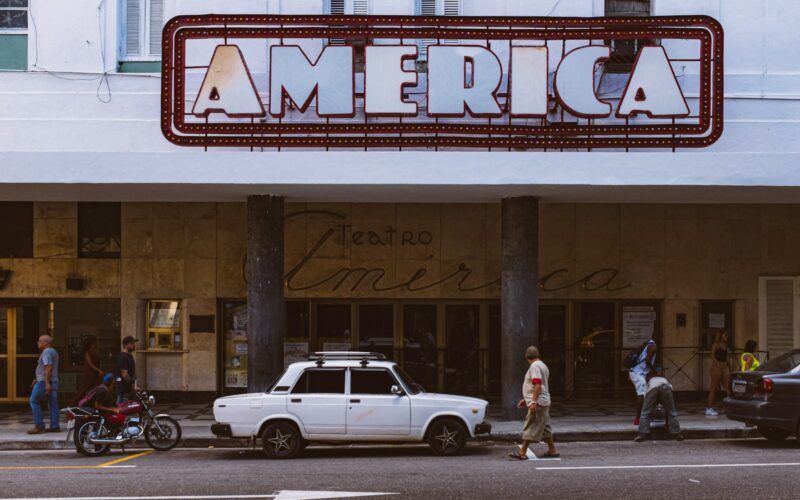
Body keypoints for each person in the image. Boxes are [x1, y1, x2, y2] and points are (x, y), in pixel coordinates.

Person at [508, 346, 558, 460]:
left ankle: (522, 452)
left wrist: (533, 401)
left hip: (538, 402)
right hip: (543, 401)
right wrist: (526, 399)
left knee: (530, 425)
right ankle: (552, 450)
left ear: (527, 357)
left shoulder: (534, 366)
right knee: (545, 427)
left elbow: (537, 384)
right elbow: (536, 386)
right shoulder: (542, 365)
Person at [634, 374, 683, 442]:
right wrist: (667, 423)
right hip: (666, 388)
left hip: (652, 389)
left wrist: (649, 410)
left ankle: (642, 435)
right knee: (672, 412)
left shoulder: (649, 383)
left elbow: (646, 400)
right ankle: (677, 434)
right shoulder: (665, 381)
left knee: (645, 413)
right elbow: (668, 408)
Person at [28, 335, 60, 434]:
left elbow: (48, 367)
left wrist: (46, 382)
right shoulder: (53, 351)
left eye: (40, 341)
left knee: (34, 400)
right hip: (52, 380)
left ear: (45, 343)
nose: (38, 342)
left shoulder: (46, 352)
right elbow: (46, 369)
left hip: (44, 382)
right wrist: (37, 379)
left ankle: (39, 425)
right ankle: (55, 426)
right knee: (53, 403)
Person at [629, 334, 659, 426]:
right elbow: (647, 361)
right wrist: (654, 371)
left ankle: (646, 416)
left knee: (645, 395)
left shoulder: (648, 344)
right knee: (642, 396)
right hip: (638, 374)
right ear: (660, 338)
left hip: (636, 372)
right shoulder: (653, 346)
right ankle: (638, 419)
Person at [70, 336, 104, 406]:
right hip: (89, 373)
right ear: (90, 344)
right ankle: (73, 404)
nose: (95, 345)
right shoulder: (87, 353)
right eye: (93, 344)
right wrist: (98, 370)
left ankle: (93, 404)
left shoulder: (95, 352)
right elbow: (90, 364)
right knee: (83, 389)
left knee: (95, 389)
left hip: (96, 374)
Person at [706, 330, 731, 416]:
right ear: (721, 336)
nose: (727, 337)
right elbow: (711, 354)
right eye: (725, 335)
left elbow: (727, 358)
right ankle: (709, 408)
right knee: (713, 388)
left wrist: (730, 368)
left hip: (725, 367)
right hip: (717, 367)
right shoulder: (716, 344)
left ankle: (729, 407)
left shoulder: (726, 346)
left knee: (727, 388)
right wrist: (716, 363)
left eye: (728, 335)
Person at [115, 336, 138, 403]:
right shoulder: (123, 357)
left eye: (134, 343)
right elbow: (124, 374)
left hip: (128, 390)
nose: (134, 345)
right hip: (123, 390)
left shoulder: (129, 356)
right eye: (132, 343)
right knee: (121, 410)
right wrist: (132, 385)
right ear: (125, 345)